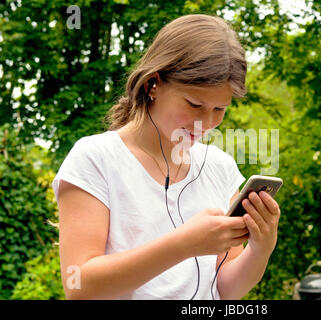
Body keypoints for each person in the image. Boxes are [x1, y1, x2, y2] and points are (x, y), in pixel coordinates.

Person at [52, 14, 281, 300]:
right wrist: (184, 244)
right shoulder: (95, 159)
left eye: (219, 109)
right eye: (195, 104)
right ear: (153, 84)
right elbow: (78, 287)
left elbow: (225, 289)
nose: (206, 123)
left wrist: (261, 248)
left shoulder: (219, 167)